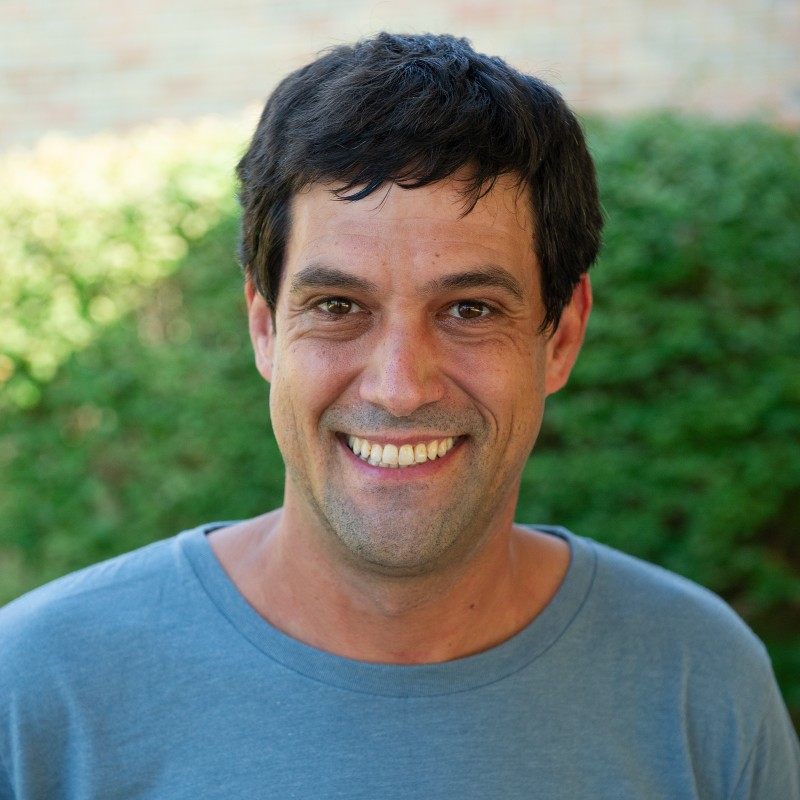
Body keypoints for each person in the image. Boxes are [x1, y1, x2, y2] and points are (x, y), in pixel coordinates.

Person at [0, 32, 798, 800]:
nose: (398, 388)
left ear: (561, 337)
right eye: (337, 305)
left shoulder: (699, 683)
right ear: (265, 327)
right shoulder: (38, 692)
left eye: (470, 309)